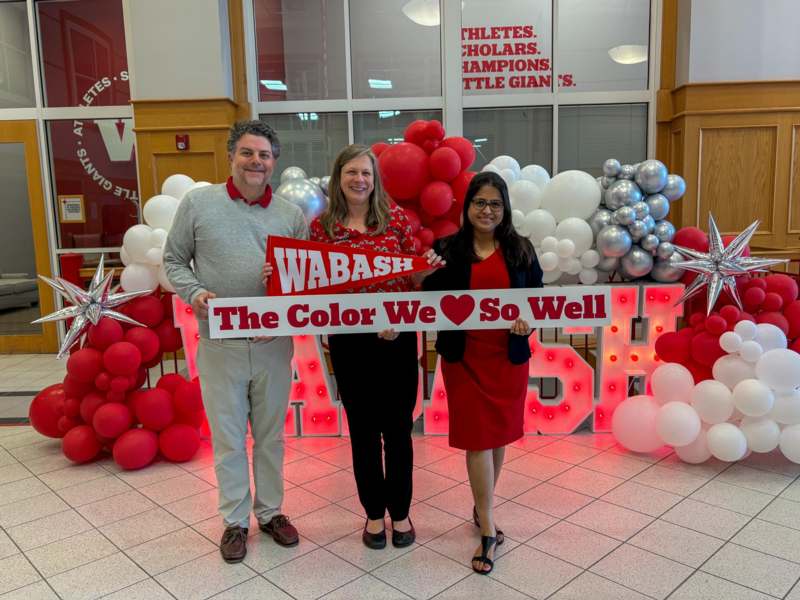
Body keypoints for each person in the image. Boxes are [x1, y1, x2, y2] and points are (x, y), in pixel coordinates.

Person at [163, 120, 308, 564]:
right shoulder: (198, 204)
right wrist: (194, 293)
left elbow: (304, 282)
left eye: (264, 155)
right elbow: (173, 259)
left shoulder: (290, 215)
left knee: (269, 437)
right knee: (228, 438)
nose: (255, 162)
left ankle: (271, 513)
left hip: (271, 344)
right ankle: (234, 521)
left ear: (274, 163)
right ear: (231, 156)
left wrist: (284, 293)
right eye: (247, 153)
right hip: (219, 343)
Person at [304, 144, 441, 550]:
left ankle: (401, 513)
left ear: (374, 178)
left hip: (397, 340)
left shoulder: (396, 220)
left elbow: (411, 282)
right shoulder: (322, 228)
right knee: (363, 433)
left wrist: (425, 271)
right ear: (338, 177)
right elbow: (314, 287)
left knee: (398, 431)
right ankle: (373, 515)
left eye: (365, 173)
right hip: (349, 345)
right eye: (351, 172)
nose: (359, 180)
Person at [421, 171, 543, 574]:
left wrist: (528, 321)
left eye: (494, 203)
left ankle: (480, 506)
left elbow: (538, 297)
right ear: (467, 206)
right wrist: (424, 273)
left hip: (506, 358)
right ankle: (488, 528)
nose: (487, 210)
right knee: (478, 438)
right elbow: (426, 297)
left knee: (499, 435)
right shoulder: (447, 249)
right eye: (479, 202)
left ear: (504, 208)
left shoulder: (521, 250)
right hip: (465, 358)